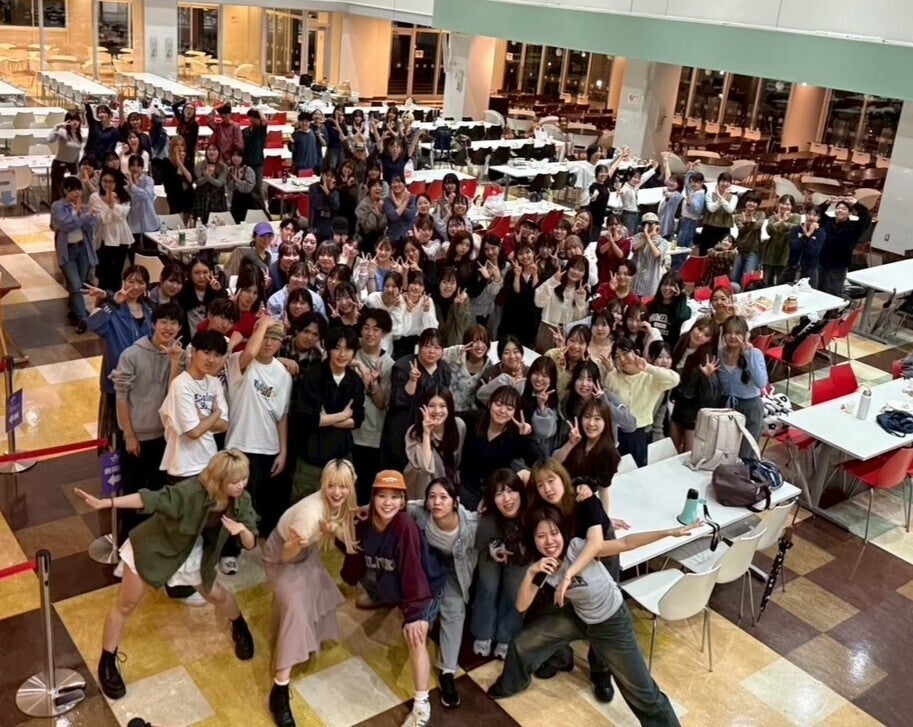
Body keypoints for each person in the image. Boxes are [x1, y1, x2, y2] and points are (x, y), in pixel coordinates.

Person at [74, 450, 259, 700]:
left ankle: (239, 626)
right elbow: (151, 499)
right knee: (126, 604)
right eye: (234, 481)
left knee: (217, 594)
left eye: (244, 478)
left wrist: (241, 530)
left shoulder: (241, 500)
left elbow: (250, 543)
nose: (241, 485)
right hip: (154, 547)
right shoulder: (191, 492)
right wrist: (107, 503)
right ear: (219, 480)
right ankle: (107, 660)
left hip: (188, 551)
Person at [486, 505, 690, 727]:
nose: (549, 541)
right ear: (534, 540)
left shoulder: (577, 548)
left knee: (643, 694)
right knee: (523, 642)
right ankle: (510, 684)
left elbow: (625, 543)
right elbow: (521, 605)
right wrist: (531, 571)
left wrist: (668, 532)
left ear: (563, 533)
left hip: (612, 621)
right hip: (579, 616)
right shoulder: (544, 566)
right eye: (541, 536)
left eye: (554, 533)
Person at [340, 470, 444, 727]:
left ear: (403, 500)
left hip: (425, 587)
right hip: (391, 579)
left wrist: (414, 616)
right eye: (382, 496)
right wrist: (343, 530)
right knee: (368, 578)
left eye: (395, 497)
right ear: (373, 498)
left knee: (415, 637)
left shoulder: (405, 526)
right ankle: (386, 599)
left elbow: (413, 573)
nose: (388, 503)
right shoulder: (365, 524)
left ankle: (422, 705)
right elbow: (352, 564)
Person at [261, 459, 357, 727]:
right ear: (323, 484)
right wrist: (297, 544)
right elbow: (284, 557)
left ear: (351, 485)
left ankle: (299, 641)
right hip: (282, 557)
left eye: (343, 486)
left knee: (319, 587)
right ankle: (279, 690)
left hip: (305, 554)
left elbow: (350, 543)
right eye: (331, 486)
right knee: (297, 610)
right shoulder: (310, 514)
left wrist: (335, 529)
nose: (337, 492)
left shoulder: (344, 504)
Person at [109, 303, 184, 542]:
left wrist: (174, 362)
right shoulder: (132, 354)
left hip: (163, 437)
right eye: (164, 321)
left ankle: (150, 542)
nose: (168, 327)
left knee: (158, 492)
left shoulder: (179, 356)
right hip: (137, 437)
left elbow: (174, 394)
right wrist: (129, 434)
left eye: (174, 323)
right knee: (133, 491)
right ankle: (127, 542)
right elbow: (121, 396)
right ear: (153, 323)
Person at [404, 478, 478, 709]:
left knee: (454, 610)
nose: (436, 502)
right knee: (421, 611)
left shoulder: (471, 524)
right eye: (432, 497)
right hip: (429, 567)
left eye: (443, 497)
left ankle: (447, 671)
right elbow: (393, 503)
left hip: (456, 571)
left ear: (456, 502)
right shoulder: (420, 512)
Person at [225, 317, 292, 549]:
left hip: (268, 446)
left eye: (275, 338)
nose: (269, 343)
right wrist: (263, 322)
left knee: (259, 502)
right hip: (238, 444)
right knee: (234, 502)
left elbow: (282, 415)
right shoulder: (239, 360)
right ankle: (230, 550)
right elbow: (250, 353)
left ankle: (253, 543)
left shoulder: (283, 374)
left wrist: (283, 451)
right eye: (265, 337)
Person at [291, 326, 365, 500]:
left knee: (341, 507)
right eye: (337, 348)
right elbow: (307, 419)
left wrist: (326, 419)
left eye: (348, 349)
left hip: (341, 457)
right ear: (328, 348)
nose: (342, 354)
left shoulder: (355, 381)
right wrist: (343, 416)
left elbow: (358, 419)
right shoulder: (313, 376)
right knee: (303, 508)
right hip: (311, 458)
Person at [86, 266, 153, 446]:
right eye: (131, 281)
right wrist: (113, 302)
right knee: (118, 431)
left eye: (141, 282)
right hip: (118, 380)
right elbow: (93, 325)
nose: (135, 286)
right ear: (123, 282)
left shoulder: (149, 311)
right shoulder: (113, 309)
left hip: (143, 380)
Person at [472, 469, 528, 660]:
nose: (506, 499)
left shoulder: (530, 509)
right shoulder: (489, 516)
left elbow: (529, 473)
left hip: (521, 551)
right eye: (499, 494)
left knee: (514, 590)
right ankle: (483, 633)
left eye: (511, 491)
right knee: (488, 586)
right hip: (491, 546)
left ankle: (506, 635)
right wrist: (494, 549)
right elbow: (481, 542)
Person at [159, 329, 229, 479]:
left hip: (210, 463)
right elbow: (193, 432)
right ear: (193, 351)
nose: (211, 360)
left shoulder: (214, 382)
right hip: (184, 468)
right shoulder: (180, 384)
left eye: (217, 355)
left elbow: (224, 425)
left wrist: (201, 419)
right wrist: (216, 414)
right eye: (206, 353)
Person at [603, 338, 680, 467]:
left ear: (636, 353)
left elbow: (674, 380)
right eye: (617, 356)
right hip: (615, 431)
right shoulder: (612, 376)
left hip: (639, 432)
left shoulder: (650, 377)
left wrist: (647, 367)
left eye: (625, 353)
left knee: (636, 468)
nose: (622, 359)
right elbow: (606, 402)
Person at [460, 385, 536, 511]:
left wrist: (527, 436)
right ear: (490, 403)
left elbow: (537, 459)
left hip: (497, 493)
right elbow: (450, 418)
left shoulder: (516, 434)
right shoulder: (474, 418)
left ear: (515, 412)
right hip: (467, 487)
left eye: (509, 408)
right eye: (498, 404)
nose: (502, 410)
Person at [350, 308, 395, 504]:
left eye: (376, 329)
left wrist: (373, 383)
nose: (370, 333)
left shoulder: (389, 365)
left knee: (365, 492)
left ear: (384, 333)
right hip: (347, 433)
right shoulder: (350, 353)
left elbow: (383, 403)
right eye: (366, 328)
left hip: (373, 435)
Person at [51, 177, 98, 333]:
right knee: (76, 286)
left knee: (77, 285)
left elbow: (93, 226)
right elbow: (65, 225)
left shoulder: (84, 206)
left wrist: (86, 215)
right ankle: (83, 319)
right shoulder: (58, 206)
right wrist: (82, 216)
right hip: (67, 251)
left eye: (79, 189)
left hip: (83, 249)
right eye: (73, 190)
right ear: (66, 190)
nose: (77, 193)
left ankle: (74, 312)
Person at [717, 315, 768, 456]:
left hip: (750, 407)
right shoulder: (720, 353)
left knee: (746, 453)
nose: (733, 336)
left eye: (738, 333)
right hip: (726, 407)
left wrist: (748, 355)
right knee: (723, 452)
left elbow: (761, 383)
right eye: (729, 332)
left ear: (746, 335)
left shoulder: (754, 353)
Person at [404, 387, 466, 499]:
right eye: (431, 405)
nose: (437, 411)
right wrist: (426, 434)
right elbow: (425, 467)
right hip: (422, 488)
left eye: (442, 406)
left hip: (449, 485)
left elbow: (457, 462)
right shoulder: (414, 432)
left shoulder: (458, 426)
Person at [669, 316, 720, 453]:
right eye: (700, 329)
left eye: (706, 335)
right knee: (671, 449)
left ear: (710, 340)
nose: (700, 335)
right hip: (679, 404)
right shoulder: (682, 341)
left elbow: (710, 396)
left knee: (688, 454)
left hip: (695, 411)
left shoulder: (707, 358)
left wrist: (706, 377)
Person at [533, 255, 590, 354]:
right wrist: (552, 282)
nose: (576, 272)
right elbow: (539, 302)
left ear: (585, 273)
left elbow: (579, 318)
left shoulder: (583, 291)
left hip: (568, 333)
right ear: (568, 267)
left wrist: (580, 300)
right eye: (574, 267)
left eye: (581, 270)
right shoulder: (554, 282)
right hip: (547, 329)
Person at [817, 196, 872, 298]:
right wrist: (828, 202)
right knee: (816, 289)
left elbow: (866, 218)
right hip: (821, 261)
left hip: (839, 264)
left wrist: (856, 204)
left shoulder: (854, 227)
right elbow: (817, 212)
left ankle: (835, 308)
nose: (840, 210)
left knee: (832, 292)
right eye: (838, 208)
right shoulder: (828, 222)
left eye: (844, 209)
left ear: (850, 213)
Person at [90, 169, 133, 292]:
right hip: (104, 238)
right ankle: (102, 300)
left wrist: (112, 205)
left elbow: (122, 216)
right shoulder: (95, 197)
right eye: (105, 181)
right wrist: (109, 205)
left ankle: (115, 299)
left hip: (121, 238)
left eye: (111, 181)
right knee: (103, 273)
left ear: (116, 182)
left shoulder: (124, 196)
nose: (107, 184)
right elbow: (102, 219)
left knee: (117, 273)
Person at [760, 194, 798, 286]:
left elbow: (794, 228)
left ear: (792, 206)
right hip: (771, 253)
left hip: (785, 254)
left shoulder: (795, 216)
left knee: (781, 283)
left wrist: (783, 222)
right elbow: (769, 230)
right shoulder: (772, 217)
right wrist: (781, 221)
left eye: (788, 204)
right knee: (766, 283)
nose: (785, 206)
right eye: (783, 203)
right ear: (779, 204)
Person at [646, 271, 691, 347]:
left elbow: (681, 317)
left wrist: (682, 296)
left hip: (668, 350)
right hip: (649, 346)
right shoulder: (650, 305)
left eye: (672, 285)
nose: (667, 288)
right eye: (665, 284)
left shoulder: (683, 309)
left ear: (678, 288)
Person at [730, 191, 765, 287]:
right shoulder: (738, 215)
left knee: (748, 277)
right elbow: (741, 229)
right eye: (749, 201)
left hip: (754, 249)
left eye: (754, 202)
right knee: (734, 276)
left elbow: (758, 226)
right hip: (739, 249)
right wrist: (750, 222)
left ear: (757, 204)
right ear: (745, 202)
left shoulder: (760, 214)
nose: (751, 203)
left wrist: (747, 222)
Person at [48, 109, 83, 201]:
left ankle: (71, 207)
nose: (75, 122)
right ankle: (57, 207)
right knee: (58, 192)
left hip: (72, 164)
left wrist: (77, 168)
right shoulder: (63, 132)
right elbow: (50, 139)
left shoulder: (78, 134)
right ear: (67, 121)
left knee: (73, 190)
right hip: (59, 163)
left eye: (77, 120)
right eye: (72, 120)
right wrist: (57, 126)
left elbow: (76, 153)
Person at [787, 205, 826, 288]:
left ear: (819, 218)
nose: (811, 217)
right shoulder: (796, 229)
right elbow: (794, 246)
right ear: (805, 214)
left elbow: (812, 251)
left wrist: (809, 233)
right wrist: (807, 234)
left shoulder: (821, 233)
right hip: (792, 267)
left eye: (815, 215)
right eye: (809, 214)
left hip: (810, 269)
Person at [699, 172, 737, 253]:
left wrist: (720, 197)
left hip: (724, 229)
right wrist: (722, 198)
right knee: (705, 252)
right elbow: (711, 209)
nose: (725, 184)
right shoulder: (710, 194)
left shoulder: (734, 197)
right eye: (723, 181)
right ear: (718, 182)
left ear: (730, 184)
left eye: (728, 182)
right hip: (709, 227)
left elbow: (730, 210)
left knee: (721, 253)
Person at [242, 109, 267, 206]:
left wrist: (258, 111)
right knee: (248, 186)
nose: (253, 119)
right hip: (246, 162)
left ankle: (261, 207)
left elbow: (264, 120)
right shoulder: (244, 131)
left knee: (258, 187)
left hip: (257, 162)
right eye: (251, 116)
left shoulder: (261, 130)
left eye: (256, 117)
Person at [228, 147, 257, 224]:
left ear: (243, 157)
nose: (235, 158)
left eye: (238, 156)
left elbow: (248, 188)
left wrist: (238, 180)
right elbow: (229, 187)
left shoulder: (248, 170)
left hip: (247, 201)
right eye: (233, 155)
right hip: (235, 201)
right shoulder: (230, 169)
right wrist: (234, 180)